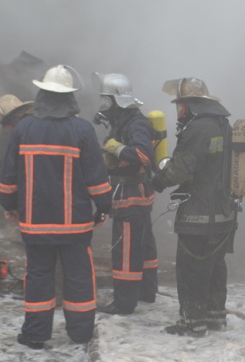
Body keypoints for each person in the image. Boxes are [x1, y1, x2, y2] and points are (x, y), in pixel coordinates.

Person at [0, 65, 113, 349]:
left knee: (38, 277)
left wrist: (10, 206)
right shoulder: (83, 130)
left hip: (35, 225)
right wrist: (103, 208)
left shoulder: (24, 129)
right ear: (71, 97)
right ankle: (81, 333)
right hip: (75, 225)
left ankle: (35, 334)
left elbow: (8, 178)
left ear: (41, 94)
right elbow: (97, 179)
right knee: (79, 277)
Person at [152, 77, 236, 337]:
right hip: (224, 214)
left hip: (199, 215)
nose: (178, 112)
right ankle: (215, 318)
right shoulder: (223, 124)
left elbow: (182, 168)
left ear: (189, 106)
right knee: (214, 266)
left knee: (192, 269)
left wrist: (158, 180)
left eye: (179, 106)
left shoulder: (197, 128)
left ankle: (193, 323)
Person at [92, 72, 159, 315]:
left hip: (131, 196)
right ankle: (147, 292)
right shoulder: (125, 121)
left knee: (127, 249)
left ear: (116, 100)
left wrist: (114, 147)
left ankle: (124, 303)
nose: (103, 107)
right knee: (144, 247)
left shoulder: (136, 123)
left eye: (106, 101)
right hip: (135, 196)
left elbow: (142, 155)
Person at [0, 94, 34, 177]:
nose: (4, 127)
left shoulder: (25, 130)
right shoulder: (29, 126)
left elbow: (17, 164)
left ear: (11, 117)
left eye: (4, 123)